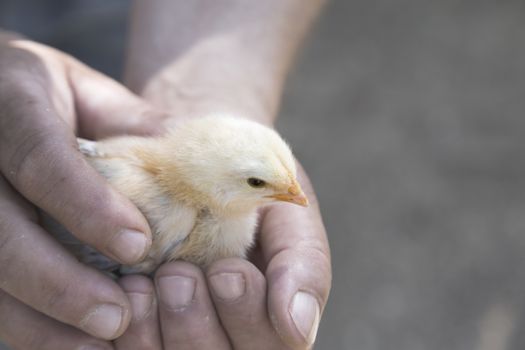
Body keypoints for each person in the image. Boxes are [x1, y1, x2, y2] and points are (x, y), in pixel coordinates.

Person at [0, 0, 331, 349]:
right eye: (256, 182)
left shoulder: (207, 207)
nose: (297, 197)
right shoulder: (165, 217)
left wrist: (206, 82)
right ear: (216, 187)